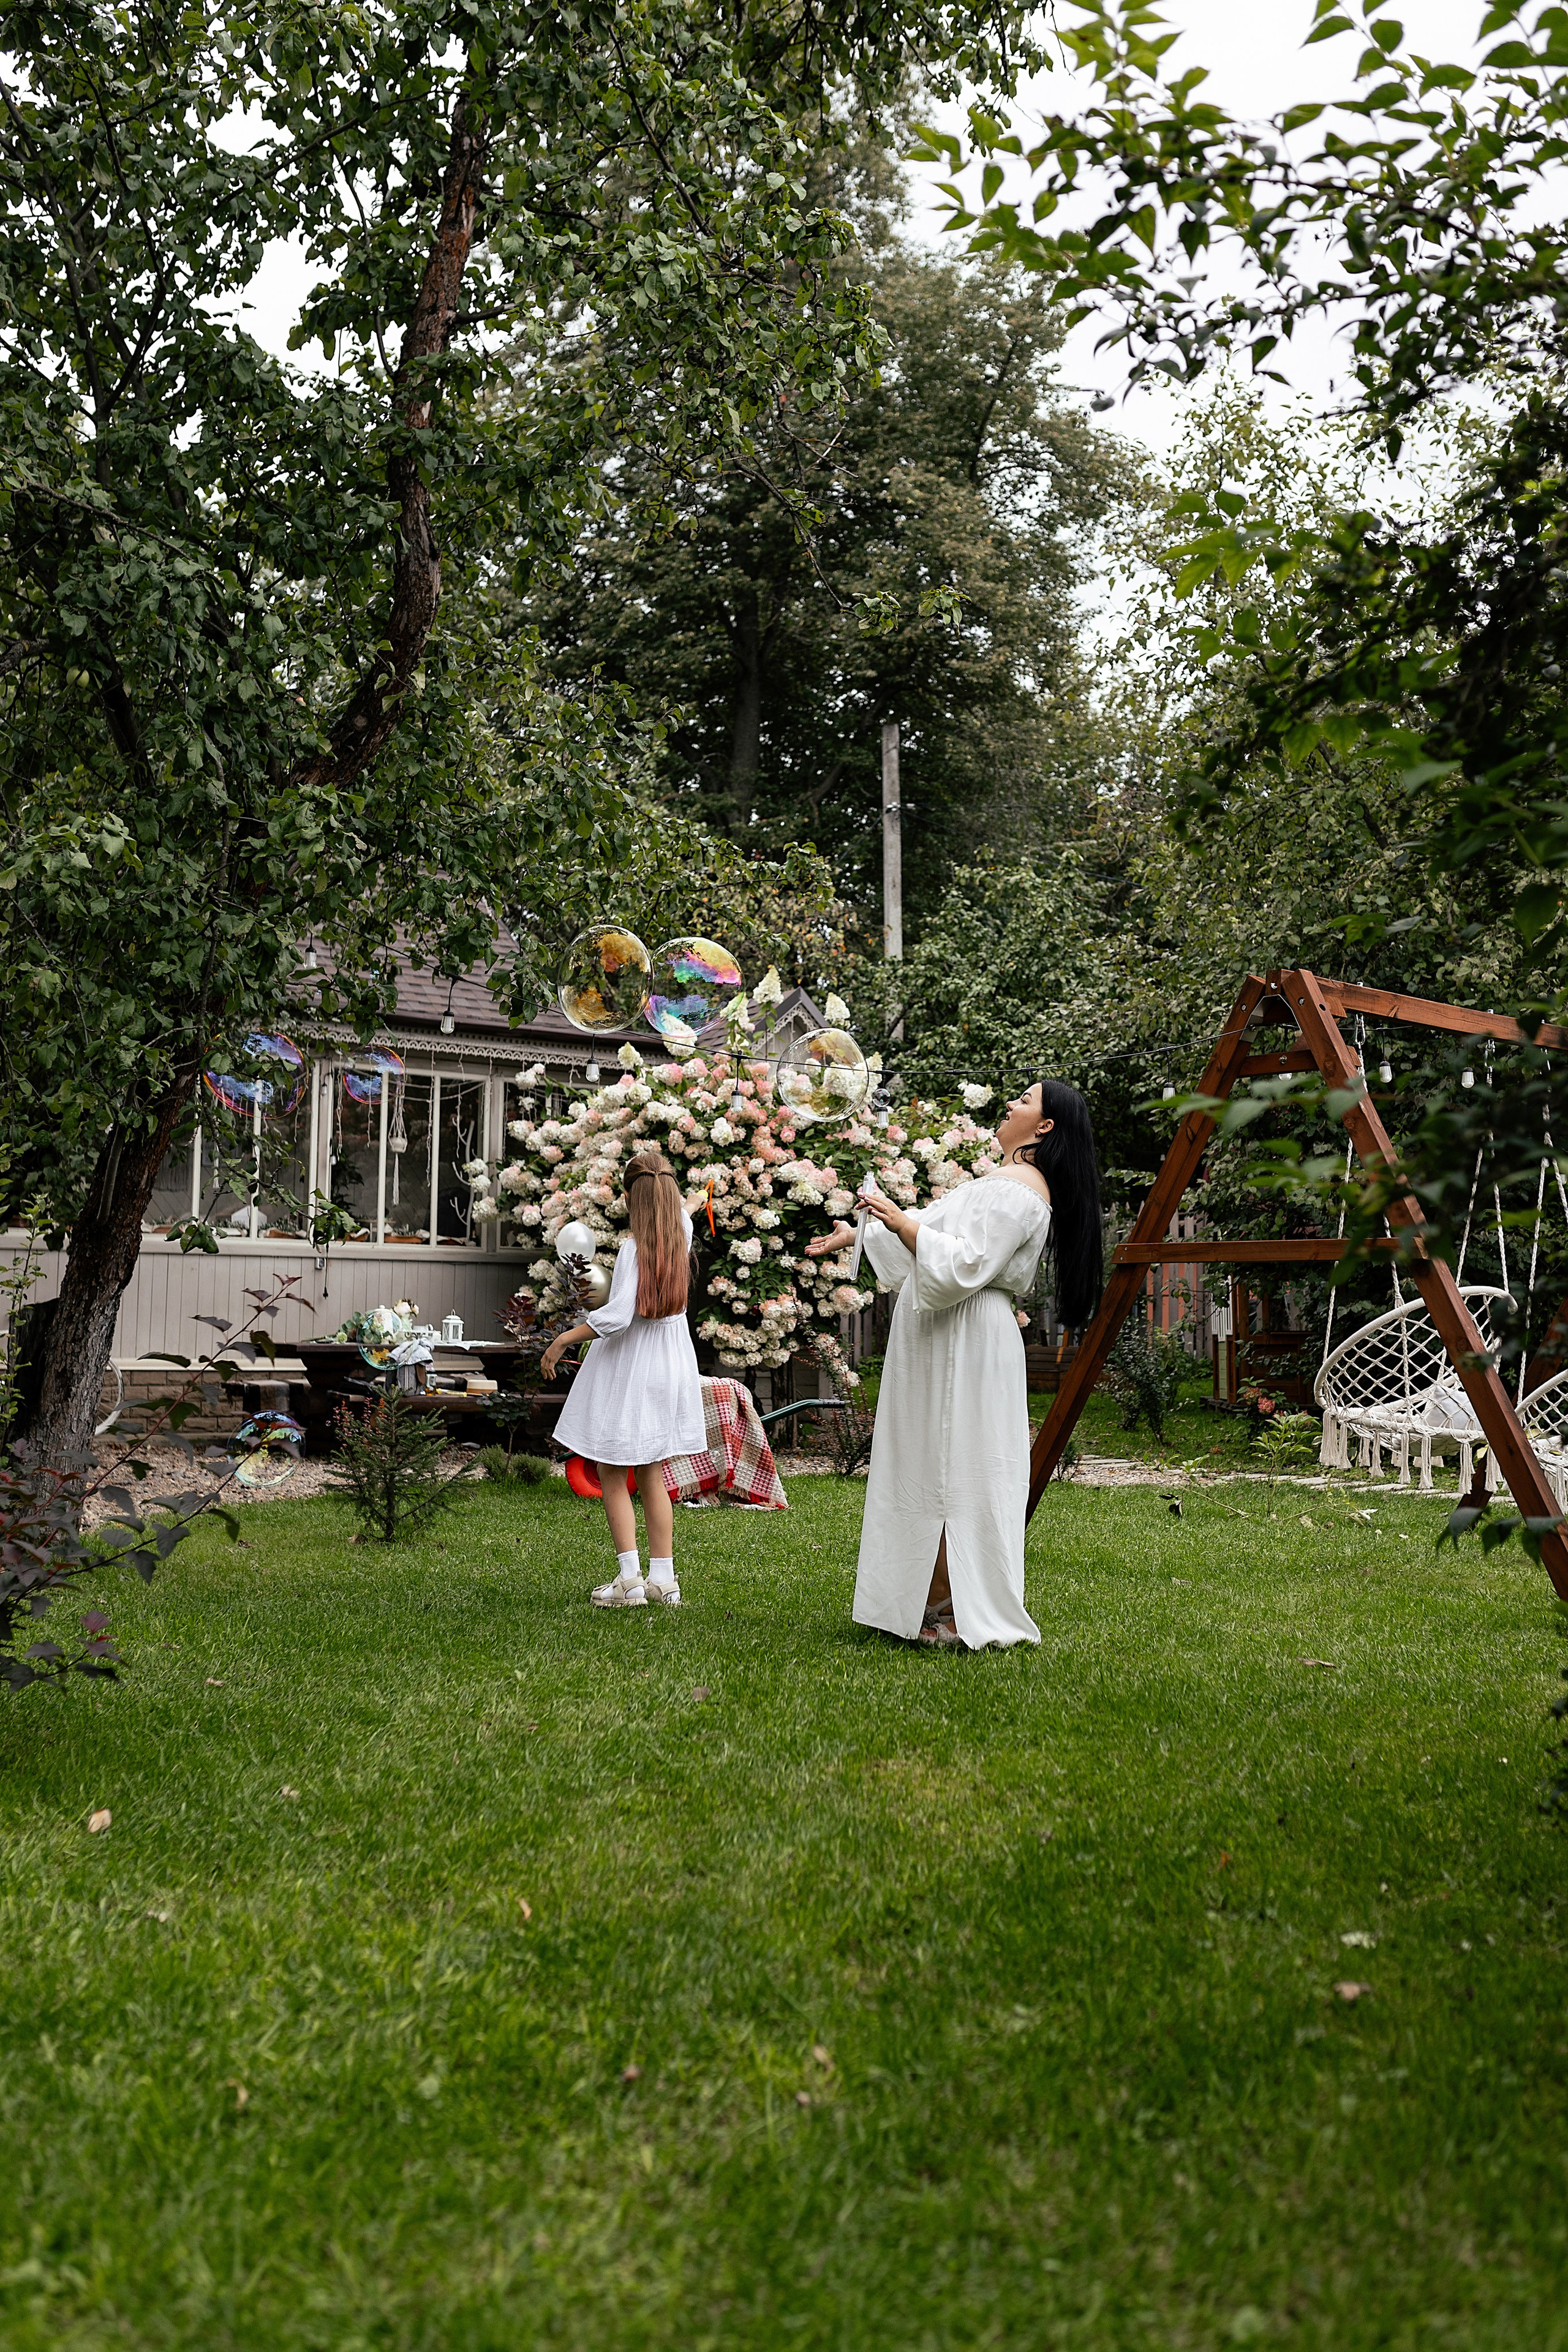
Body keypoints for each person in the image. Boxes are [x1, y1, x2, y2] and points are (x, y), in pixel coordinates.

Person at [808, 1080, 1103, 1649]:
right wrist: (860, 1233)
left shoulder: (1021, 1190)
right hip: (942, 1332)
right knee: (927, 1460)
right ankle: (924, 1597)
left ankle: (951, 1606)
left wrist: (900, 1222)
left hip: (965, 1336)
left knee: (957, 1465)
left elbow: (969, 1260)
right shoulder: (1001, 1181)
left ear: (1045, 1127)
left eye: (1025, 1100)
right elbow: (936, 1226)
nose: (1011, 1104)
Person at [542, 1148, 706, 1608]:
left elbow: (618, 1317)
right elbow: (685, 1213)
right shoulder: (682, 1235)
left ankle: (630, 1581)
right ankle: (664, 1581)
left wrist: (563, 1339)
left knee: (612, 1470)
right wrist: (692, 1202)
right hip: (671, 1366)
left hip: (635, 1367)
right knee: (652, 1471)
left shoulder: (635, 1249)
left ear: (633, 1199)